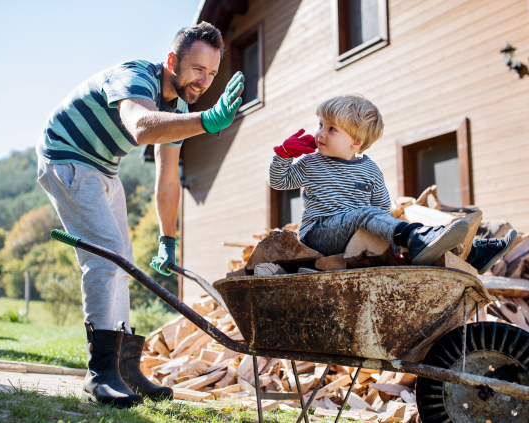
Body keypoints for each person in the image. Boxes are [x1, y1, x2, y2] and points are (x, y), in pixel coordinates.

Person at [35, 22, 244, 407]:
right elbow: (141, 126)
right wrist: (208, 120)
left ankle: (126, 369)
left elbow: (168, 179)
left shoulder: (179, 108)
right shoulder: (135, 78)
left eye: (212, 73)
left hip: (102, 167)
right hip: (66, 157)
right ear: (172, 61)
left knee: (124, 261)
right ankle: (100, 373)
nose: (204, 81)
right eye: (198, 69)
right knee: (107, 255)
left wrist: (168, 238)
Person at [269, 95, 516, 273]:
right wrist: (283, 155)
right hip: (320, 234)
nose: (320, 133)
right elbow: (279, 181)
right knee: (370, 216)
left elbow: (383, 209)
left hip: (357, 236)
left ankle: (471, 254)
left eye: (331, 129)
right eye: (320, 124)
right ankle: (418, 239)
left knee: (384, 220)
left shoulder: (370, 169)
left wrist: (391, 246)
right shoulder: (312, 163)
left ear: (356, 141)